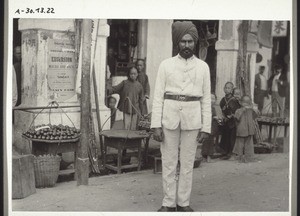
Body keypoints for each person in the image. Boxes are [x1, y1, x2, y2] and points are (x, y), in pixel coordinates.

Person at [151, 21, 211, 212]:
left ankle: (183, 202)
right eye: (183, 42)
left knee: (187, 164)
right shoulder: (165, 65)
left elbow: (206, 100)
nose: (186, 45)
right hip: (169, 118)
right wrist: (156, 125)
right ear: (177, 43)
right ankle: (168, 203)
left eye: (190, 42)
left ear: (195, 43)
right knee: (168, 162)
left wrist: (206, 127)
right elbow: (158, 97)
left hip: (192, 121)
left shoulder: (203, 67)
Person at [232, 95, 258, 163]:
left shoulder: (251, 111)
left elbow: (256, 116)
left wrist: (255, 109)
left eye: (248, 103)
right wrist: (242, 110)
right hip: (241, 130)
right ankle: (239, 157)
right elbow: (236, 117)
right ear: (240, 103)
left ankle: (248, 158)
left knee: (249, 145)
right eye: (244, 103)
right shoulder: (238, 110)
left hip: (249, 130)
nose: (246, 104)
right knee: (240, 145)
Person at [219, 82, 241, 159]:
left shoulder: (234, 100)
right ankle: (225, 152)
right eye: (226, 88)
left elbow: (237, 110)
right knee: (226, 136)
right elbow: (221, 108)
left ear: (232, 90)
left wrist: (231, 116)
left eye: (229, 88)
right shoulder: (223, 99)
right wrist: (223, 116)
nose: (227, 89)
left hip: (232, 122)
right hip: (225, 121)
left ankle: (232, 153)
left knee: (232, 137)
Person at [201, 94, 221, 162]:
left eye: (213, 99)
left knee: (208, 141)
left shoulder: (214, 108)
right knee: (208, 142)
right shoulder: (209, 108)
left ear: (215, 100)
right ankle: (208, 157)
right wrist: (215, 117)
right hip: (209, 126)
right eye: (210, 98)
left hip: (212, 127)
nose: (211, 100)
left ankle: (205, 157)